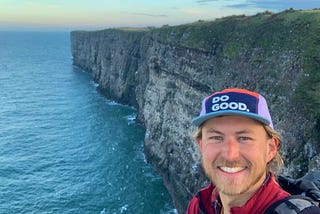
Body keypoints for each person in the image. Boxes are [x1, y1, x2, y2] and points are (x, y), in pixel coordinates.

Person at [186, 88, 320, 214]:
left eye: (244, 138)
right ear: (201, 146)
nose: (230, 155)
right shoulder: (199, 205)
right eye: (216, 137)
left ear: (271, 149)